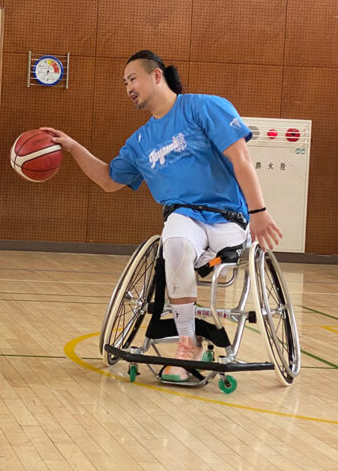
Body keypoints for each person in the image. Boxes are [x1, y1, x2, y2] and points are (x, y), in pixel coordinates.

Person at [43, 50, 281, 382]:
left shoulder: (203, 107)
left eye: (132, 78)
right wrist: (73, 147)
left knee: (220, 261)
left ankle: (206, 283)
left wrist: (259, 212)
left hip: (228, 216)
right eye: (124, 83)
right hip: (185, 215)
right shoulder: (140, 142)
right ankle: (186, 341)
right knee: (177, 245)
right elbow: (109, 180)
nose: (128, 87)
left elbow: (241, 157)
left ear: (157, 75)